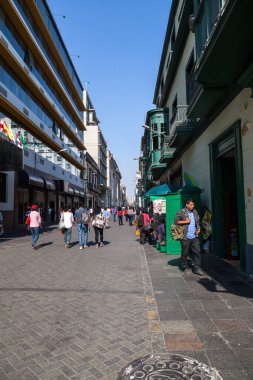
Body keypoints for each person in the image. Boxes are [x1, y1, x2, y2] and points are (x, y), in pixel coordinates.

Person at [174, 198, 204, 276]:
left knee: (197, 252)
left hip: (194, 236)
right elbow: (176, 222)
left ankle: (197, 268)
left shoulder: (195, 211)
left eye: (193, 204)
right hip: (185, 237)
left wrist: (198, 228)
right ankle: (185, 267)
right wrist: (185, 221)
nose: (192, 206)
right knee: (185, 253)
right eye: (191, 204)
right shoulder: (181, 212)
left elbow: (197, 221)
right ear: (187, 204)